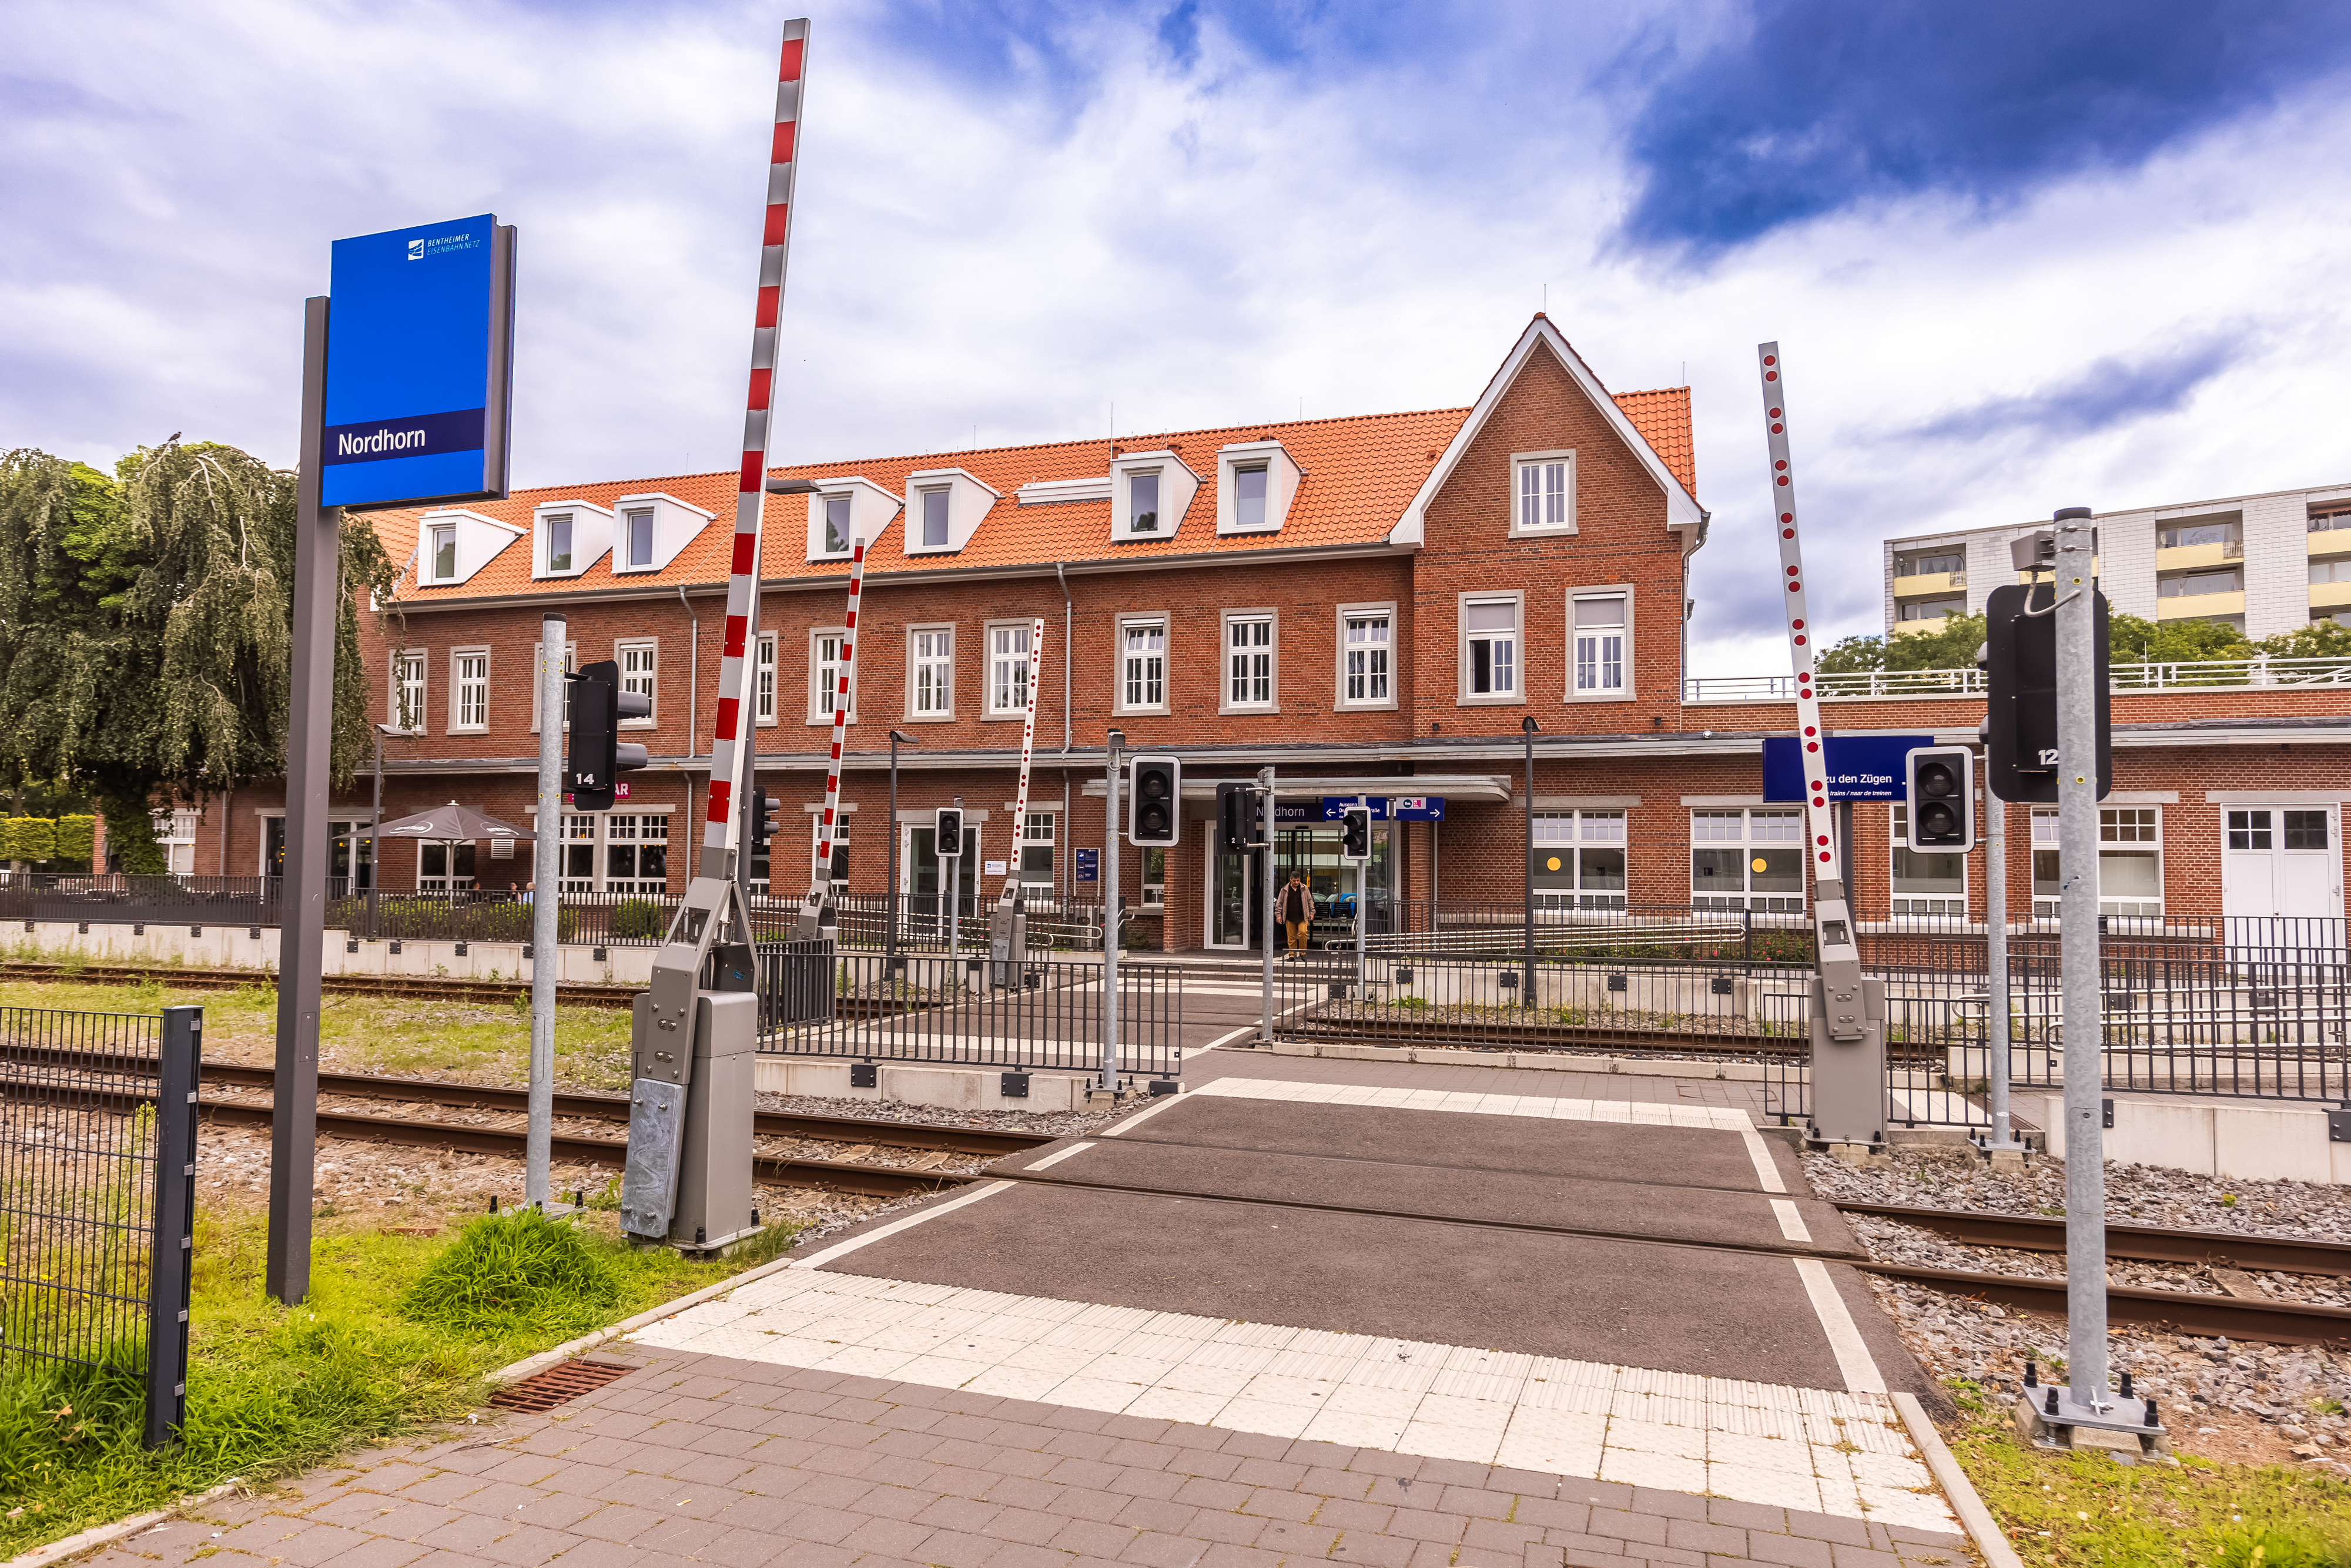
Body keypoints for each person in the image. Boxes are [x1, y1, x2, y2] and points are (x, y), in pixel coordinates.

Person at [1278, 873, 1314, 960]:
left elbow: (1310, 901)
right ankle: (1292, 955)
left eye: (1298, 880)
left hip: (1303, 917)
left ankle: (1303, 953)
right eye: (1295, 881)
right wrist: (1279, 915)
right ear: (1291, 879)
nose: (1297, 882)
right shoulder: (1285, 890)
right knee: (1291, 937)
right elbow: (1279, 903)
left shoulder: (1304, 888)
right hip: (1290, 918)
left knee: (1303, 933)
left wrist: (1312, 912)